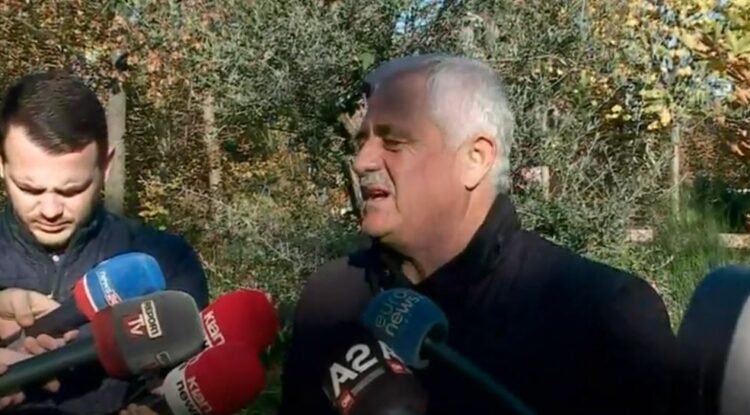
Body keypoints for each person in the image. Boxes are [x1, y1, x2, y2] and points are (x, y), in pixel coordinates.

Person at [278, 54, 678, 414]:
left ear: (475, 158)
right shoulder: (331, 299)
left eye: (394, 142)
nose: (362, 162)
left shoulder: (602, 315)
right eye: (362, 142)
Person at [0, 70, 209, 414]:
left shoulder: (168, 262)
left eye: (72, 190)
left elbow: (190, 383)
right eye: (29, 188)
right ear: (2, 165)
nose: (50, 210)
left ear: (105, 166)